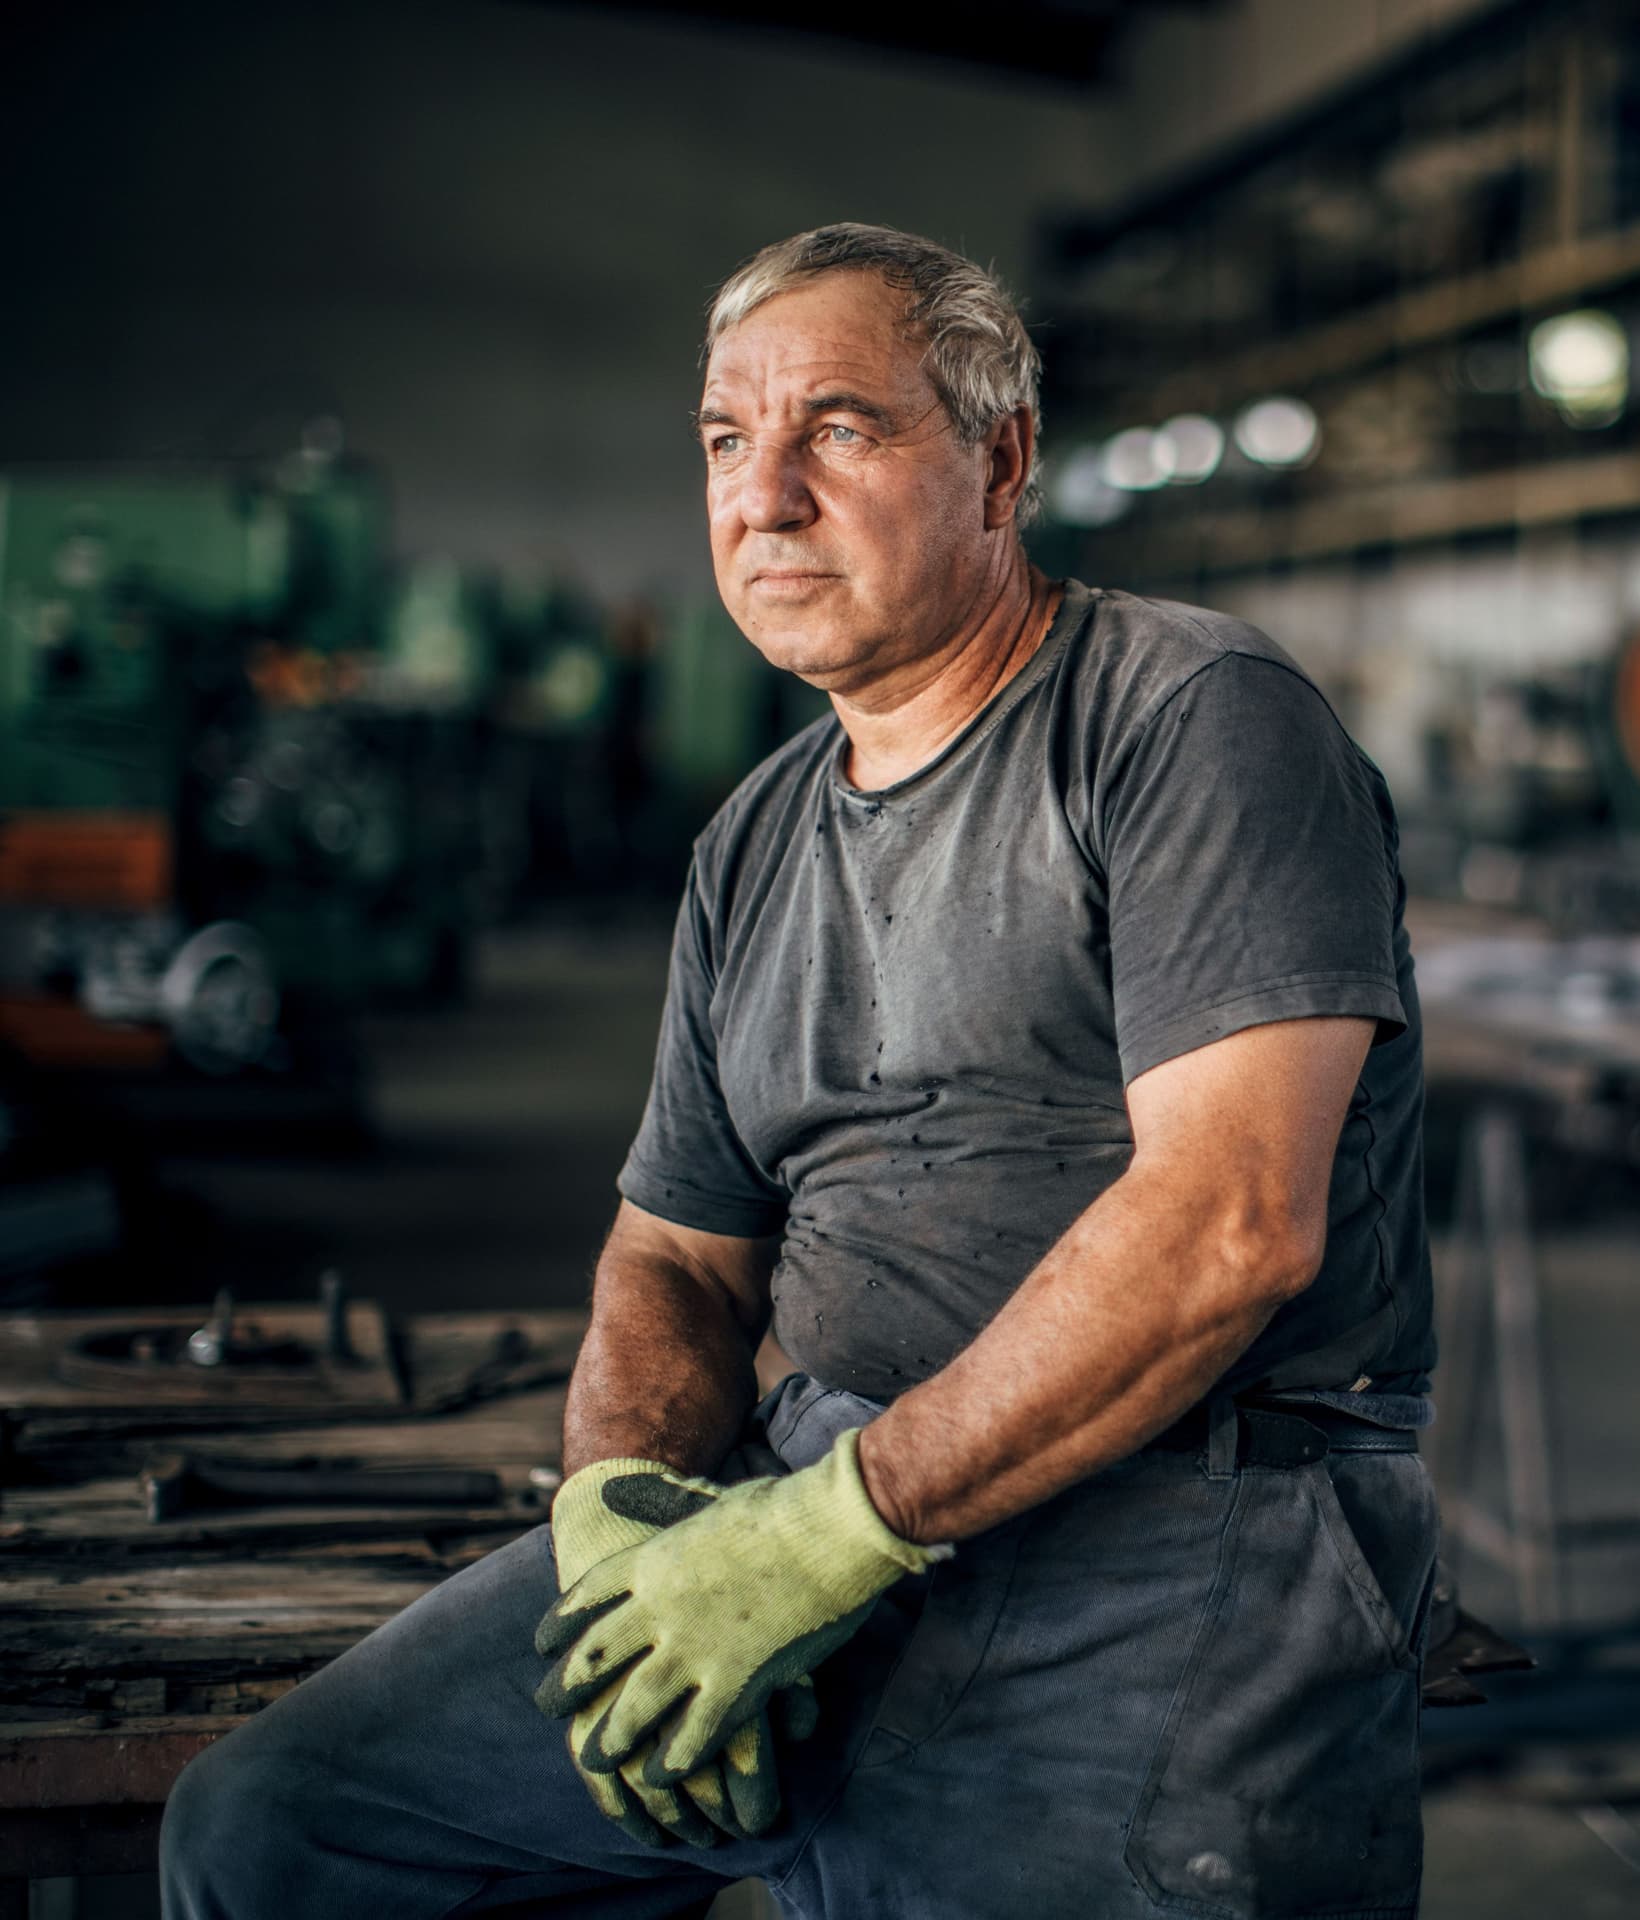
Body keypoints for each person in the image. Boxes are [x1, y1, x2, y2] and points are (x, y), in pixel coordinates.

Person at [160, 222, 1438, 1920]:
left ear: (1001, 461)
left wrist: (839, 1534)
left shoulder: (1187, 716)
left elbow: (1229, 1227)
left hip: (1172, 1526)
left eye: (837, 427)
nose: (762, 497)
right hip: (806, 1495)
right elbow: (676, 1251)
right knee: (276, 1836)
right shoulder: (755, 840)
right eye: (722, 440)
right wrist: (630, 1516)